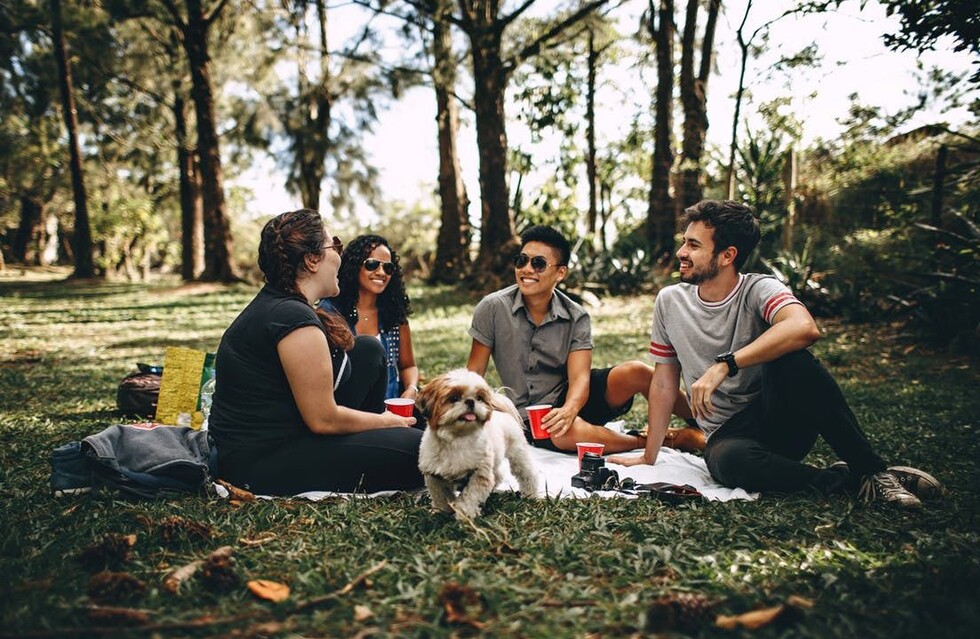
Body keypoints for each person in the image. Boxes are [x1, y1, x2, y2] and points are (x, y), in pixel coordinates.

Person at [609, 200, 942, 508]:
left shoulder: (760, 288)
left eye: (694, 245)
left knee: (794, 359)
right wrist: (649, 456)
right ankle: (852, 480)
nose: (681, 251)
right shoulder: (670, 301)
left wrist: (726, 364)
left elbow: (804, 327)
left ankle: (873, 470)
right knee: (727, 462)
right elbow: (665, 383)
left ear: (727, 255)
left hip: (780, 418)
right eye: (685, 241)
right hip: (729, 437)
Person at [209, 209, 424, 495]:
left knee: (368, 350)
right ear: (312, 260)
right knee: (426, 451)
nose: (340, 254)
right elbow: (323, 419)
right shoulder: (292, 319)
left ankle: (381, 439)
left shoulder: (285, 305)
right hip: (263, 460)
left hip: (291, 432)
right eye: (334, 245)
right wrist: (387, 421)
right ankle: (386, 439)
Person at [466, 225, 698, 454]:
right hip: (531, 415)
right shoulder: (492, 308)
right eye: (521, 261)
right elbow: (473, 374)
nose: (527, 269)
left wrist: (569, 409)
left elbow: (579, 379)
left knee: (636, 371)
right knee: (563, 432)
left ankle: (704, 421)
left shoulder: (576, 315)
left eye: (538, 263)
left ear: (560, 273)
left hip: (573, 397)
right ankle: (661, 441)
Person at [319, 235, 419, 403]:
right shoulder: (330, 312)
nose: (381, 273)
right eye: (372, 264)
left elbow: (408, 366)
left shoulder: (394, 314)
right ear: (354, 266)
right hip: (348, 412)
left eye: (388, 268)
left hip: (391, 410)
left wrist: (411, 389)